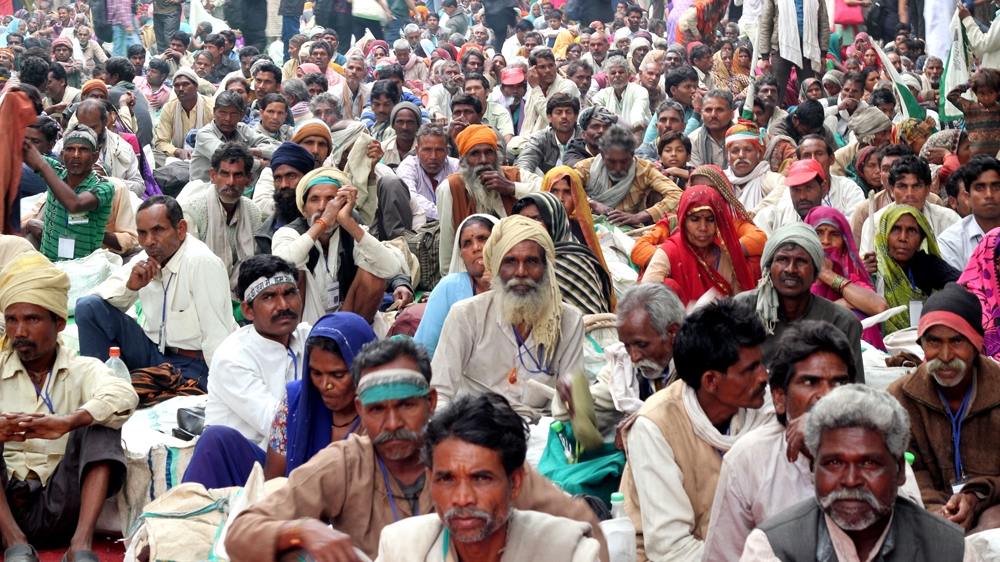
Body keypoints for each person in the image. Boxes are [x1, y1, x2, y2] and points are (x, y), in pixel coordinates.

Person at [224, 337, 606, 561]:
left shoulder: (470, 457)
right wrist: (302, 530)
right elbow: (241, 532)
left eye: (406, 405)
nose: (391, 425)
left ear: (432, 401)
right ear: (359, 410)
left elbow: (586, 534)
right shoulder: (345, 463)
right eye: (376, 411)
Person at [704, 321, 924, 562]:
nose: (827, 396)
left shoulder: (881, 447)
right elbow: (724, 556)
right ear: (780, 397)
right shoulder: (748, 459)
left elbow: (914, 535)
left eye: (839, 383)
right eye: (810, 382)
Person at [0, 250, 137, 562]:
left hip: (58, 508)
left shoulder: (83, 368)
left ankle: (81, 545)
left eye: (32, 319)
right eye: (12, 320)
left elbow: (123, 395)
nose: (20, 332)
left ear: (60, 323)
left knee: (102, 424)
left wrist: (69, 422)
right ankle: (14, 541)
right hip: (3, 509)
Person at [741, 384, 972, 562]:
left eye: (870, 463)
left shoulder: (951, 550)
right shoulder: (773, 548)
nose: (850, 481)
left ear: (900, 471)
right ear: (813, 472)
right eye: (833, 463)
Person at [619, 298, 773, 562]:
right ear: (711, 381)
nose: (764, 376)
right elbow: (672, 549)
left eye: (760, 363)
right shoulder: (656, 426)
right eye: (750, 370)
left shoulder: (768, 407)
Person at [375, 394, 602, 562]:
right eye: (446, 479)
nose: (462, 499)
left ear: (515, 483)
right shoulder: (400, 549)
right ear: (430, 479)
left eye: (481, 479)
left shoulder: (569, 553)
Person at [431, 214, 585, 420]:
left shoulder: (569, 321)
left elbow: (572, 403)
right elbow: (438, 393)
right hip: (478, 428)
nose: (521, 272)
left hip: (540, 430)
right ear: (496, 268)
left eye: (531, 261)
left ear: (546, 269)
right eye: (510, 261)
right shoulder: (466, 315)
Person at [76, 196, 236, 390]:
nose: (149, 241)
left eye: (158, 230)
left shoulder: (201, 263)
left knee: (151, 402)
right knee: (88, 308)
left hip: (192, 362)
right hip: (154, 352)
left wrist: (224, 390)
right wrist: (130, 288)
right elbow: (99, 299)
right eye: (142, 233)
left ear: (181, 229)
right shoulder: (148, 255)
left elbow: (216, 336)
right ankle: (100, 390)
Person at [181, 255, 309, 489]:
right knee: (216, 437)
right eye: (269, 297)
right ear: (248, 311)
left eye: (289, 293)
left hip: (299, 456)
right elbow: (277, 426)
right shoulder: (233, 356)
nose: (283, 306)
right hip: (249, 465)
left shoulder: (309, 337)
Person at [885, 282, 1000, 534]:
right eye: (934, 341)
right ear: (922, 344)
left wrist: (977, 497)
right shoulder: (899, 398)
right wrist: (937, 511)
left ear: (976, 344)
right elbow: (902, 469)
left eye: (957, 341)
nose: (945, 355)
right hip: (925, 510)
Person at [271, 167, 410, 325]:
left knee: (374, 272)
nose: (323, 207)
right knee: (293, 272)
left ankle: (348, 336)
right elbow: (280, 269)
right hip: (303, 321)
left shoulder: (351, 231)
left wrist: (348, 221)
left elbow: (390, 269)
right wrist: (321, 224)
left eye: (331, 199)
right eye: (315, 199)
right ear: (304, 210)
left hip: (346, 314)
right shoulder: (289, 232)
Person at [736, 223, 866, 380]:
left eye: (801, 261)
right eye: (783, 259)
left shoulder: (842, 322)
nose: (791, 269)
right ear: (769, 267)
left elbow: (853, 392)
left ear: (815, 273)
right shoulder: (742, 309)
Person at [262, 312, 377, 480]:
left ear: (366, 370)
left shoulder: (386, 415)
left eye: (337, 375)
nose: (324, 386)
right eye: (315, 373)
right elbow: (273, 485)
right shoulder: (295, 405)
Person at [435, 124, 542, 276]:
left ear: (497, 156)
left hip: (518, 270)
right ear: (464, 161)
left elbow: (553, 191)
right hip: (472, 275)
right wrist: (450, 284)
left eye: (488, 152)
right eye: (475, 154)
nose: (483, 160)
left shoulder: (515, 176)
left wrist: (512, 188)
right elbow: (447, 249)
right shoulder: (450, 188)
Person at [641, 185, 757, 306]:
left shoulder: (725, 255)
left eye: (710, 220)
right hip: (679, 321)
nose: (703, 228)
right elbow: (646, 294)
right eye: (695, 219)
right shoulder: (670, 251)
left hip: (721, 322)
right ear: (683, 221)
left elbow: (741, 302)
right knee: (667, 286)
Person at [21, 124, 114, 262]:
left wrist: (43, 165)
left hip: (83, 268)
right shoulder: (55, 170)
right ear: (63, 155)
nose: (76, 155)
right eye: (70, 149)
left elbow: (75, 204)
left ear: (95, 157)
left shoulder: (103, 186)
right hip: (48, 264)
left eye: (83, 150)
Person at [512, 191, 614, 315]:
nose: (528, 227)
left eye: (537, 219)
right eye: (522, 221)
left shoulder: (574, 262)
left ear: (555, 221)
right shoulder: (515, 260)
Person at [182, 143, 264, 292]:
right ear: (213, 176)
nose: (230, 182)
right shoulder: (193, 211)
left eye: (238, 175)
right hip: (197, 291)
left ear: (248, 179)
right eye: (224, 174)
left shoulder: (253, 213)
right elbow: (185, 266)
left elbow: (254, 263)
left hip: (240, 292)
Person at [414, 214, 499, 358]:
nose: (476, 247)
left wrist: (500, 287)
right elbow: (424, 350)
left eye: (483, 239)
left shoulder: (517, 284)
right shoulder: (450, 287)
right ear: (461, 255)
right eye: (467, 243)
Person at [804, 207, 889, 348]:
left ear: (844, 246)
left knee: (856, 314)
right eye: (818, 232)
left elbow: (879, 306)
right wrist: (837, 306)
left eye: (834, 234)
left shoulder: (852, 278)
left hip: (859, 361)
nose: (825, 241)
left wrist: (828, 275)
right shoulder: (796, 277)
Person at [876, 204, 961, 335]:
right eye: (895, 229)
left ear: (921, 238)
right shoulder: (871, 267)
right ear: (884, 234)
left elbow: (964, 282)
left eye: (911, 231)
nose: (903, 238)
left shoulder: (927, 264)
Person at [575, 124, 682, 227]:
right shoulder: (585, 168)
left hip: (630, 231)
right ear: (602, 154)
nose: (618, 168)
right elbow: (566, 190)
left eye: (624, 162)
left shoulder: (644, 170)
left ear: (632, 154)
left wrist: (641, 216)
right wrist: (592, 203)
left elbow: (678, 195)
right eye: (612, 162)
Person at [190, 90, 281, 184]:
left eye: (233, 114)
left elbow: (278, 147)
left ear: (241, 115)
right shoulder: (204, 134)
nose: (228, 119)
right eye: (222, 112)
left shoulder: (242, 129)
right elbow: (230, 160)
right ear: (214, 112)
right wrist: (260, 164)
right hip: (205, 190)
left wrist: (252, 151)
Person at [759, 0, 829, 108]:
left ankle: (809, 119)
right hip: (781, 47)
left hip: (808, 48)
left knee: (809, 89)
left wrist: (823, 53)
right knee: (776, 90)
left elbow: (823, 22)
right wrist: (764, 56)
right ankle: (771, 120)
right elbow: (766, 23)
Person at [74, 99, 145, 198]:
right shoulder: (65, 146)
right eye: (83, 127)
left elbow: (139, 188)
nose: (89, 133)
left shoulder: (123, 147)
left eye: (94, 127)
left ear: (104, 122)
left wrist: (109, 180)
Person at [939, 156, 1000, 271]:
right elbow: (956, 287)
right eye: (980, 187)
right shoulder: (951, 241)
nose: (989, 194)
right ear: (968, 197)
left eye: (996, 186)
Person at [723, 121, 787, 215]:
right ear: (727, 157)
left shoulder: (766, 178)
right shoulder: (720, 179)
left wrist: (755, 212)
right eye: (735, 151)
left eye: (748, 150)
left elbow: (785, 188)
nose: (741, 155)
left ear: (760, 155)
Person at [153, 68, 214, 165]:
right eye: (177, 85)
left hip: (206, 157)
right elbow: (161, 142)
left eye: (185, 84)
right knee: (152, 155)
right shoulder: (169, 108)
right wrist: (178, 151)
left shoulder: (211, 106)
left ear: (196, 86)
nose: (180, 89)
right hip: (179, 158)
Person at [753, 159, 829, 235]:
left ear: (824, 188)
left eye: (808, 188)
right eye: (795, 190)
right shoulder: (769, 218)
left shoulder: (832, 223)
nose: (802, 197)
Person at [518, 48, 581, 139]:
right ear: (533, 70)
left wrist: (536, 88)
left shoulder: (567, 86)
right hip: (535, 139)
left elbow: (553, 120)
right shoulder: (534, 90)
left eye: (551, 65)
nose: (548, 70)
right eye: (542, 67)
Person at [514, 93, 581, 176]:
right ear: (549, 117)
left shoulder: (585, 138)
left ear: (576, 117)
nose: (564, 116)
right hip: (544, 185)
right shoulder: (540, 138)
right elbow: (523, 164)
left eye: (568, 112)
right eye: (559, 112)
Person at [946, 68, 1000, 157]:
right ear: (976, 93)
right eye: (981, 93)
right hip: (975, 157)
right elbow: (951, 95)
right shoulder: (969, 107)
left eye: (990, 93)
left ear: (997, 92)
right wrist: (968, 84)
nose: (986, 97)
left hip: (997, 157)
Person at [593, 56, 650, 128]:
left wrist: (636, 127)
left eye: (621, 72)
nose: (617, 75)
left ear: (629, 76)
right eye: (613, 73)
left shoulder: (640, 91)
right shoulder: (604, 94)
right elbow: (592, 107)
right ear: (607, 79)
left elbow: (637, 111)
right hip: (615, 136)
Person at [689, 89, 734, 169]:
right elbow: (697, 174)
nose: (713, 115)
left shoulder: (742, 137)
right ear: (702, 114)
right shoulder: (693, 140)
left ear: (731, 114)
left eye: (719, 110)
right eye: (708, 110)